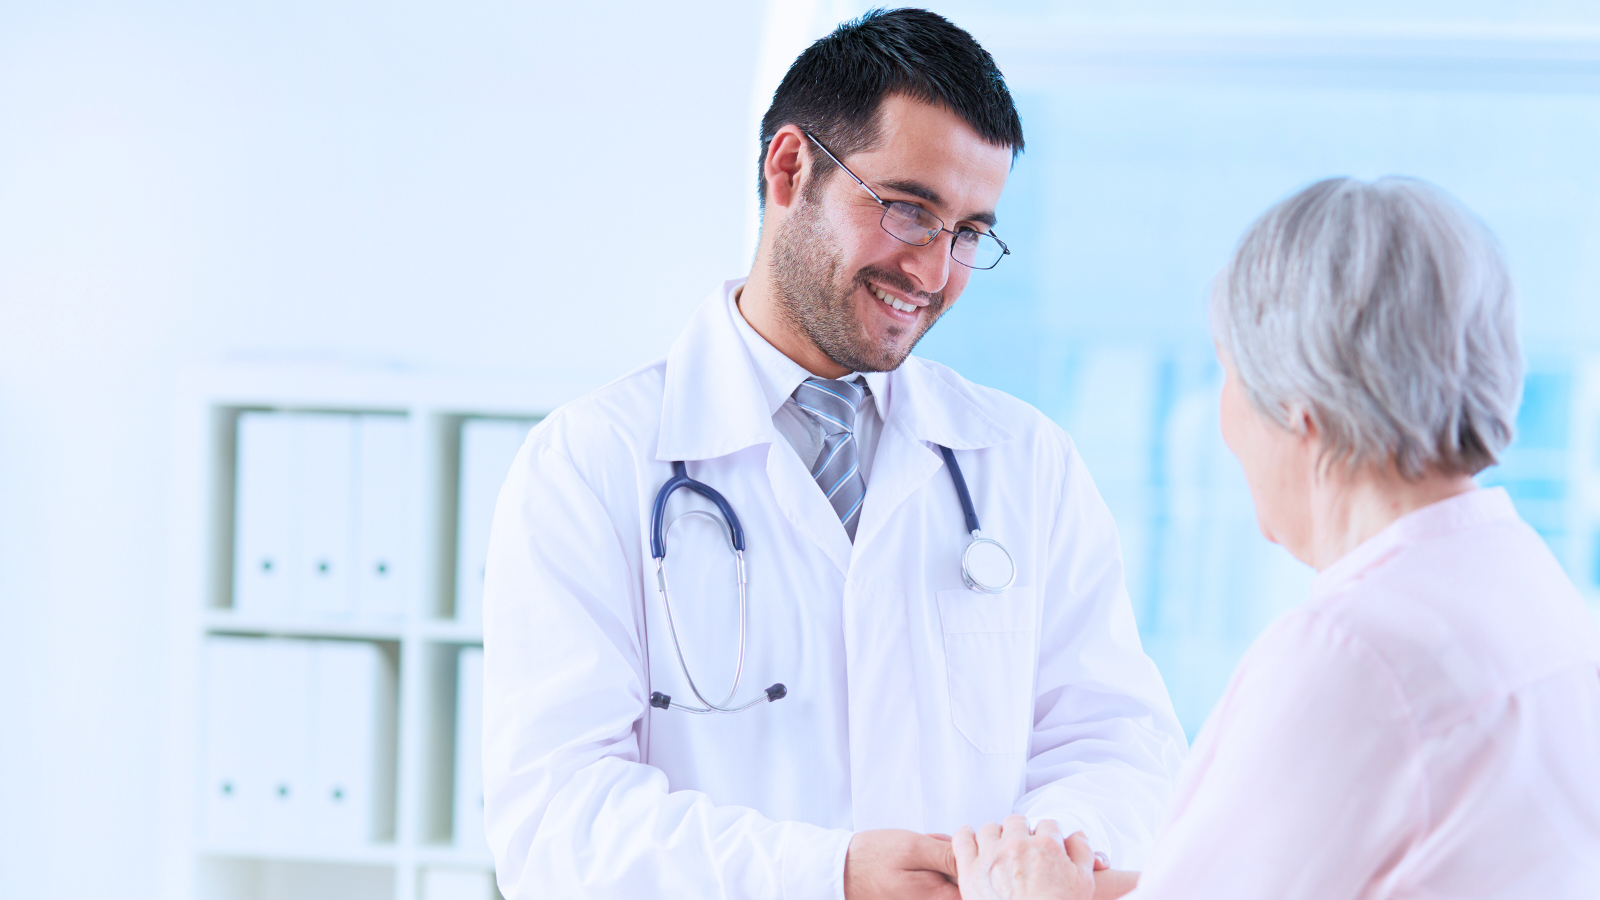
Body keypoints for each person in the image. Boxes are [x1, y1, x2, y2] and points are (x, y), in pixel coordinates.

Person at [480, 9, 1186, 900]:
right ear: (789, 169)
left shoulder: (1024, 463)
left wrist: (1034, 857)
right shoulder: (593, 464)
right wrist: (828, 876)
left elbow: (1121, 742)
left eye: (969, 232)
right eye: (908, 209)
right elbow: (556, 820)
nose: (933, 273)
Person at [952, 176, 1600, 900]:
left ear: (1301, 410)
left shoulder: (1354, 655)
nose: (1220, 420)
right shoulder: (1529, 588)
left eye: (1226, 374)